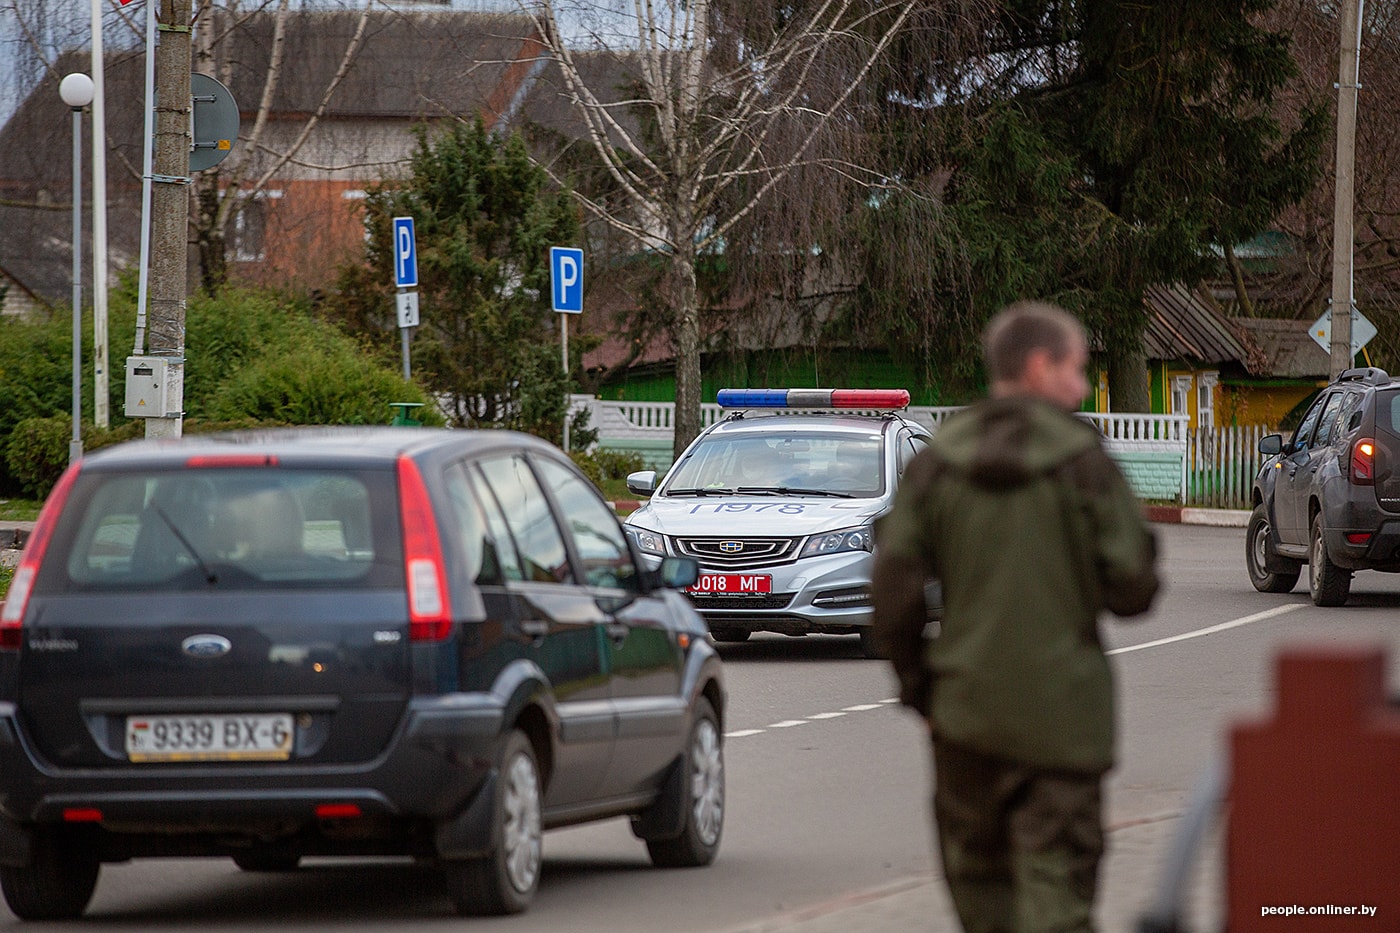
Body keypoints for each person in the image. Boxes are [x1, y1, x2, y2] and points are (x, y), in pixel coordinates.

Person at [871, 300, 1159, 933]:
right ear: (1038, 366)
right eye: (1077, 370)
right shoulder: (1082, 463)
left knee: (980, 890)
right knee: (1058, 896)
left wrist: (924, 690)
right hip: (1063, 722)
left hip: (966, 717)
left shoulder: (936, 463)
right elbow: (1134, 589)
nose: (1082, 388)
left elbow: (892, 591)